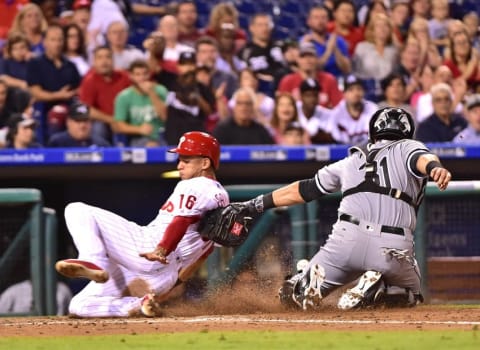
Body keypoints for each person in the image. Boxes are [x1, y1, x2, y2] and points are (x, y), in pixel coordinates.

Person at [225, 107, 452, 310]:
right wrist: (435, 168)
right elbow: (423, 158)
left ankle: (302, 283)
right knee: (410, 294)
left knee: (290, 297)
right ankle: (377, 288)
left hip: (344, 241)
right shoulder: (409, 146)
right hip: (390, 246)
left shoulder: (350, 161)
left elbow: (305, 189)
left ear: (373, 134)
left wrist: (254, 204)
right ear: (407, 133)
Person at [55, 131, 228, 317]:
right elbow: (205, 253)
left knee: (77, 209)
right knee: (79, 305)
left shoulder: (195, 184)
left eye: (186, 160)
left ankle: (93, 260)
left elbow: (181, 221)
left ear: (205, 163)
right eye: (179, 160)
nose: (179, 166)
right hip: (162, 276)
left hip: (151, 251)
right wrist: (175, 282)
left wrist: (162, 250)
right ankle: (138, 305)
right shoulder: (222, 198)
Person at [79, 46, 131, 143]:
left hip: (124, 119)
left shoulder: (124, 77)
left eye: (108, 57)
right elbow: (86, 109)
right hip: (103, 121)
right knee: (98, 128)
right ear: (94, 62)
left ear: (113, 60)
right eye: (100, 58)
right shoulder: (89, 80)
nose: (104, 61)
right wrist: (112, 120)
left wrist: (121, 120)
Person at [114, 59, 168, 147]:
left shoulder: (161, 91)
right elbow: (119, 126)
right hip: (137, 137)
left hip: (162, 136)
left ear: (149, 74)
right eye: (137, 74)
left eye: (144, 74)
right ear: (131, 76)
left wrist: (152, 93)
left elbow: (165, 117)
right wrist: (139, 129)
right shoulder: (123, 97)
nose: (142, 78)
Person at [328, 75, 378, 144]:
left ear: (363, 92)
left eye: (359, 89)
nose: (356, 93)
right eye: (351, 90)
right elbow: (338, 142)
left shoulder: (372, 109)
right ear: (344, 94)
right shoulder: (337, 114)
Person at [0, 280, 72, 315]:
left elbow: (70, 314)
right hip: (21, 331)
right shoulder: (13, 291)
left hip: (56, 331)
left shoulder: (63, 289)